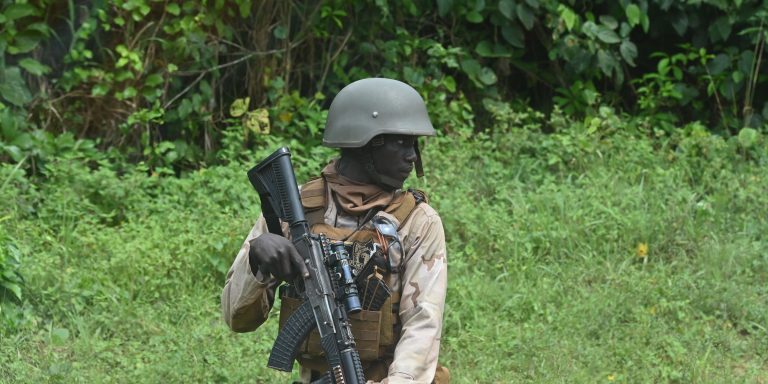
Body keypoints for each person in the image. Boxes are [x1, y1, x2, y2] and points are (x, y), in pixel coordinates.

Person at [221, 78, 449, 384]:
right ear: (365, 141)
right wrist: (257, 262)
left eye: (414, 144)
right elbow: (236, 318)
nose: (412, 156)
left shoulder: (418, 221)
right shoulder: (296, 208)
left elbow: (423, 326)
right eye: (400, 142)